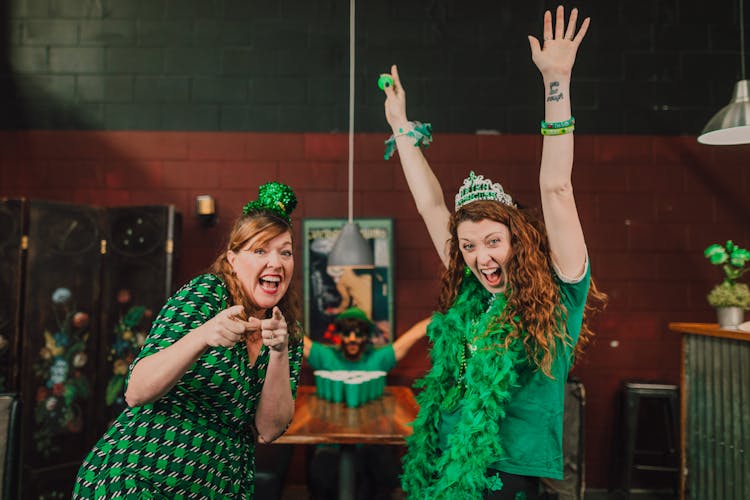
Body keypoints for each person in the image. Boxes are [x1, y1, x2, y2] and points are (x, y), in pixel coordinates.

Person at [382, 6, 607, 499]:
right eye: (467, 246)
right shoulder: (471, 286)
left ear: (516, 242)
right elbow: (430, 204)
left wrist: (556, 83)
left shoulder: (560, 290)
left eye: (492, 242)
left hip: (507, 474)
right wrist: (400, 127)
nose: (481, 257)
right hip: (446, 458)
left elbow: (556, 188)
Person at [73, 182, 304, 499]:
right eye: (261, 250)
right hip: (140, 479)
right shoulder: (206, 294)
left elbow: (269, 429)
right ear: (233, 260)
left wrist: (278, 353)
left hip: (218, 486)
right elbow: (136, 392)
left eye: (286, 252)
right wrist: (202, 335)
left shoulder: (287, 330)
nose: (276, 263)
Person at [303, 307, 429, 500]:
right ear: (340, 336)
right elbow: (299, 340)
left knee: (383, 470)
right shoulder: (327, 357)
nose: (353, 339)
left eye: (358, 333)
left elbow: (412, 336)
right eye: (347, 333)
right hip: (332, 443)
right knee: (321, 473)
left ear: (366, 336)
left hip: (371, 442)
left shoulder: (377, 359)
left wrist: (443, 317)